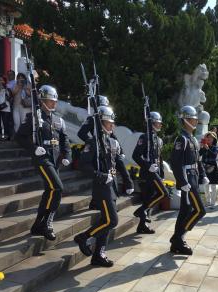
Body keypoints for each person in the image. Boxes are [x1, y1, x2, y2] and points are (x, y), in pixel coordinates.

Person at [74, 106, 134, 267]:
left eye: (113, 123)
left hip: (112, 186)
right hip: (101, 187)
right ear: (101, 123)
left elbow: (119, 163)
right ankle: (84, 237)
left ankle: (99, 254)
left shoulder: (112, 142)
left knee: (105, 222)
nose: (112, 126)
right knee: (112, 220)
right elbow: (83, 165)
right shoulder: (93, 143)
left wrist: (127, 181)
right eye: (109, 123)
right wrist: (100, 175)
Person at [15, 85, 71, 240]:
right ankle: (48, 222)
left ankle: (37, 225)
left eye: (54, 101)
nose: (53, 103)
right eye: (50, 101)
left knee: (49, 192)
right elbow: (19, 137)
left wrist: (67, 155)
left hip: (55, 161)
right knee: (58, 188)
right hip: (42, 159)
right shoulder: (35, 119)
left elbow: (65, 141)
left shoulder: (58, 120)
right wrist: (34, 148)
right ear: (42, 101)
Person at [169, 105, 208, 255]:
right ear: (185, 120)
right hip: (187, 180)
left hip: (194, 177)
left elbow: (197, 161)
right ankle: (178, 238)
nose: (196, 121)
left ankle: (176, 244)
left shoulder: (192, 139)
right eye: (193, 119)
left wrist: (203, 174)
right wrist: (182, 181)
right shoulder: (182, 139)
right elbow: (175, 162)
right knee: (200, 210)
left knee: (185, 211)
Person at [77, 95, 124, 210]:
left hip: (107, 149)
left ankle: (107, 202)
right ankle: (99, 203)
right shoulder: (92, 119)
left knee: (110, 175)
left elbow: (112, 135)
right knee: (98, 176)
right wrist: (93, 143)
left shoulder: (106, 119)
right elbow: (81, 133)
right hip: (96, 151)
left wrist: (120, 150)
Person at [132, 111, 169, 234]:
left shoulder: (158, 139)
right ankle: (141, 211)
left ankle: (142, 225)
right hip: (148, 174)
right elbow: (136, 155)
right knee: (163, 194)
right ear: (152, 123)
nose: (160, 125)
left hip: (156, 174)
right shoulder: (144, 137)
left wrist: (162, 175)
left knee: (149, 199)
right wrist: (148, 166)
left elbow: (160, 158)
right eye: (158, 123)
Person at [199, 131, 218, 208]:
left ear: (214, 139)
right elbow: (199, 154)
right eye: (207, 137)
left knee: (213, 186)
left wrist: (207, 148)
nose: (209, 139)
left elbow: (213, 155)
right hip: (204, 167)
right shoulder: (204, 147)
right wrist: (202, 147)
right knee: (206, 186)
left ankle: (213, 202)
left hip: (213, 168)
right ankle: (207, 201)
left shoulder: (215, 147)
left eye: (211, 137)